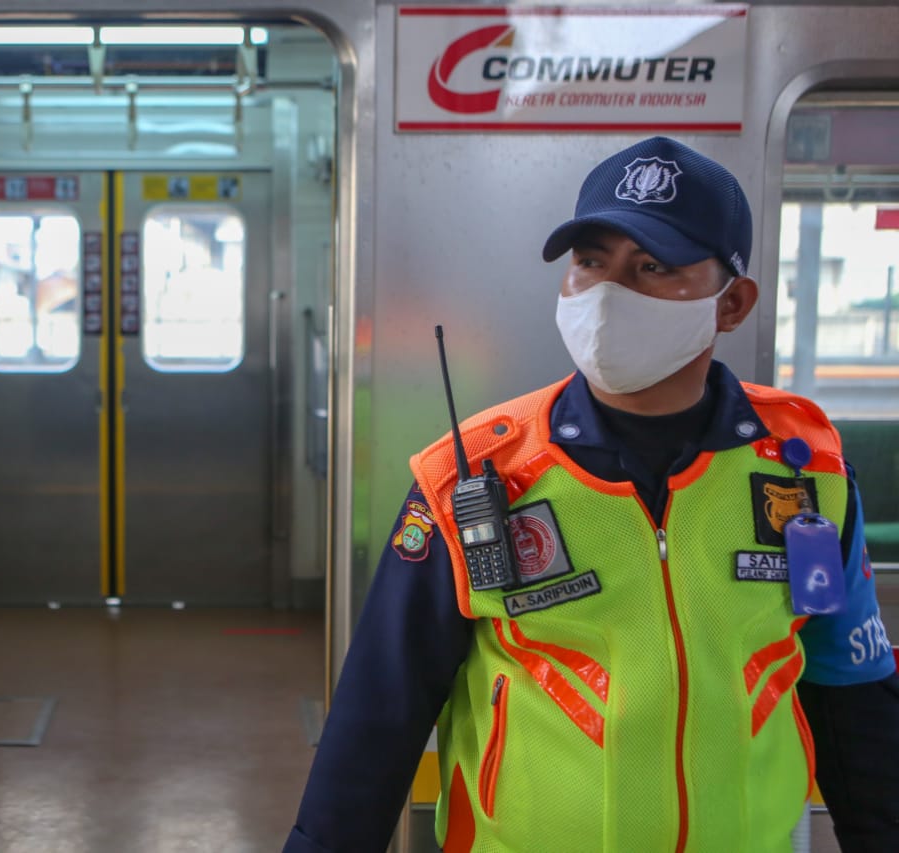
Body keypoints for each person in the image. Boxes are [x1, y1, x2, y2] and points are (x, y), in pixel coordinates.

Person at [284, 137, 899, 852]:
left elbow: (852, 697)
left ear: (732, 303)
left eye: (653, 266)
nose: (608, 292)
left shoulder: (807, 471)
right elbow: (378, 715)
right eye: (590, 262)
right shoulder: (475, 478)